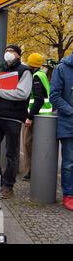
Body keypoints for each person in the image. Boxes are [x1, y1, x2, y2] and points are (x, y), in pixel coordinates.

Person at [0, 45, 33, 199]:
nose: (8, 54)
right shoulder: (0, 70)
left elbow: (22, 93)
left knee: (11, 154)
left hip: (13, 117)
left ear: (18, 55)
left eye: (12, 51)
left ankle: (8, 185)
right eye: (6, 51)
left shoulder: (24, 71)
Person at [22, 53, 53, 181]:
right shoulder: (42, 75)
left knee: (28, 144)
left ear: (31, 65)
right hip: (44, 116)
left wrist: (30, 117)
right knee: (36, 144)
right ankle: (34, 171)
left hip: (37, 116)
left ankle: (30, 172)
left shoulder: (36, 77)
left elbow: (38, 99)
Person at [49, 53, 73, 211]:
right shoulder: (62, 69)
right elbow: (54, 96)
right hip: (69, 123)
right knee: (69, 163)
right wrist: (71, 111)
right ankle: (69, 195)